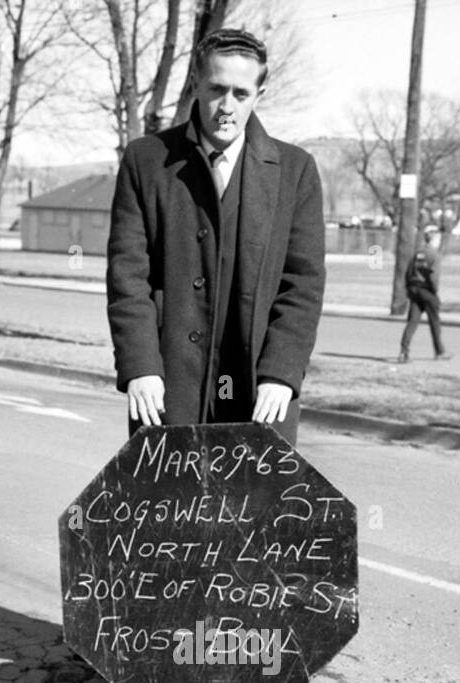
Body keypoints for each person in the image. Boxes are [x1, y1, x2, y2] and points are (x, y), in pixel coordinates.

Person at [106, 28, 326, 446]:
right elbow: (127, 277)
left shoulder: (295, 171)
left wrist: (281, 373)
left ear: (259, 94)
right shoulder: (146, 161)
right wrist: (140, 367)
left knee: (257, 511)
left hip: (259, 391)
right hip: (166, 387)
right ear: (195, 85)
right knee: (169, 509)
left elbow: (303, 285)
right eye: (216, 89)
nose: (227, 107)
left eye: (241, 94)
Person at [398, 227, 451, 363]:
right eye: (438, 239)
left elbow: (408, 272)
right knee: (434, 322)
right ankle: (439, 352)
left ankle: (404, 351)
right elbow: (434, 277)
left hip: (414, 290)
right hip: (426, 291)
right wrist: (434, 292)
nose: (439, 242)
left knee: (412, 322)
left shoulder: (417, 254)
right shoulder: (434, 255)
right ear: (433, 240)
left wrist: (409, 288)